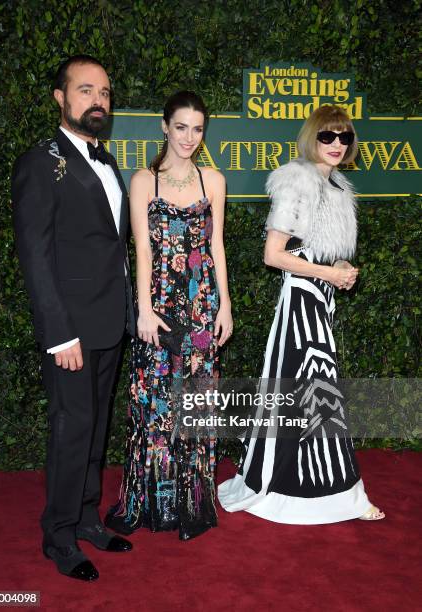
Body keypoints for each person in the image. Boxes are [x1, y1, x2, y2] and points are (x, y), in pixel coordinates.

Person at [218, 105, 385, 524]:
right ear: (312, 137)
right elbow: (274, 255)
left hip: (320, 302)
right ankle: (329, 491)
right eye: (327, 136)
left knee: (316, 392)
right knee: (311, 391)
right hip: (300, 307)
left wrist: (341, 271)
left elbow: (320, 253)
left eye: (344, 137)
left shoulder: (340, 189)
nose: (336, 145)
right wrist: (328, 271)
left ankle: (335, 491)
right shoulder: (295, 183)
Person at [12, 55, 136, 581]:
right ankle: (59, 534)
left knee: (95, 428)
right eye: (86, 90)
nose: (98, 100)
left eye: (105, 92)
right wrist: (58, 332)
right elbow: (35, 254)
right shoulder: (40, 162)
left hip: (109, 320)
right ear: (60, 98)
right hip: (71, 331)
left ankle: (86, 517)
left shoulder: (106, 162)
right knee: (71, 429)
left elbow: (112, 247)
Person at [105, 91, 232, 540]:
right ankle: (151, 502)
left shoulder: (213, 180)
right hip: (157, 307)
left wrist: (226, 307)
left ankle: (192, 506)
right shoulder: (144, 181)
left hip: (200, 308)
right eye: (181, 127)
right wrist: (143, 309)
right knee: (154, 403)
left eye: (198, 129)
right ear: (164, 127)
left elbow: (216, 248)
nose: (189, 138)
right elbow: (140, 249)